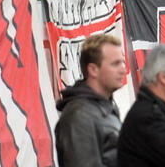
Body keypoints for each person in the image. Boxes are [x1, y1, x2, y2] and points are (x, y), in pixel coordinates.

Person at [55, 33, 128, 167]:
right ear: (93, 70)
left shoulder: (107, 107)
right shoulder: (79, 116)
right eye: (115, 64)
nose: (123, 70)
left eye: (123, 62)